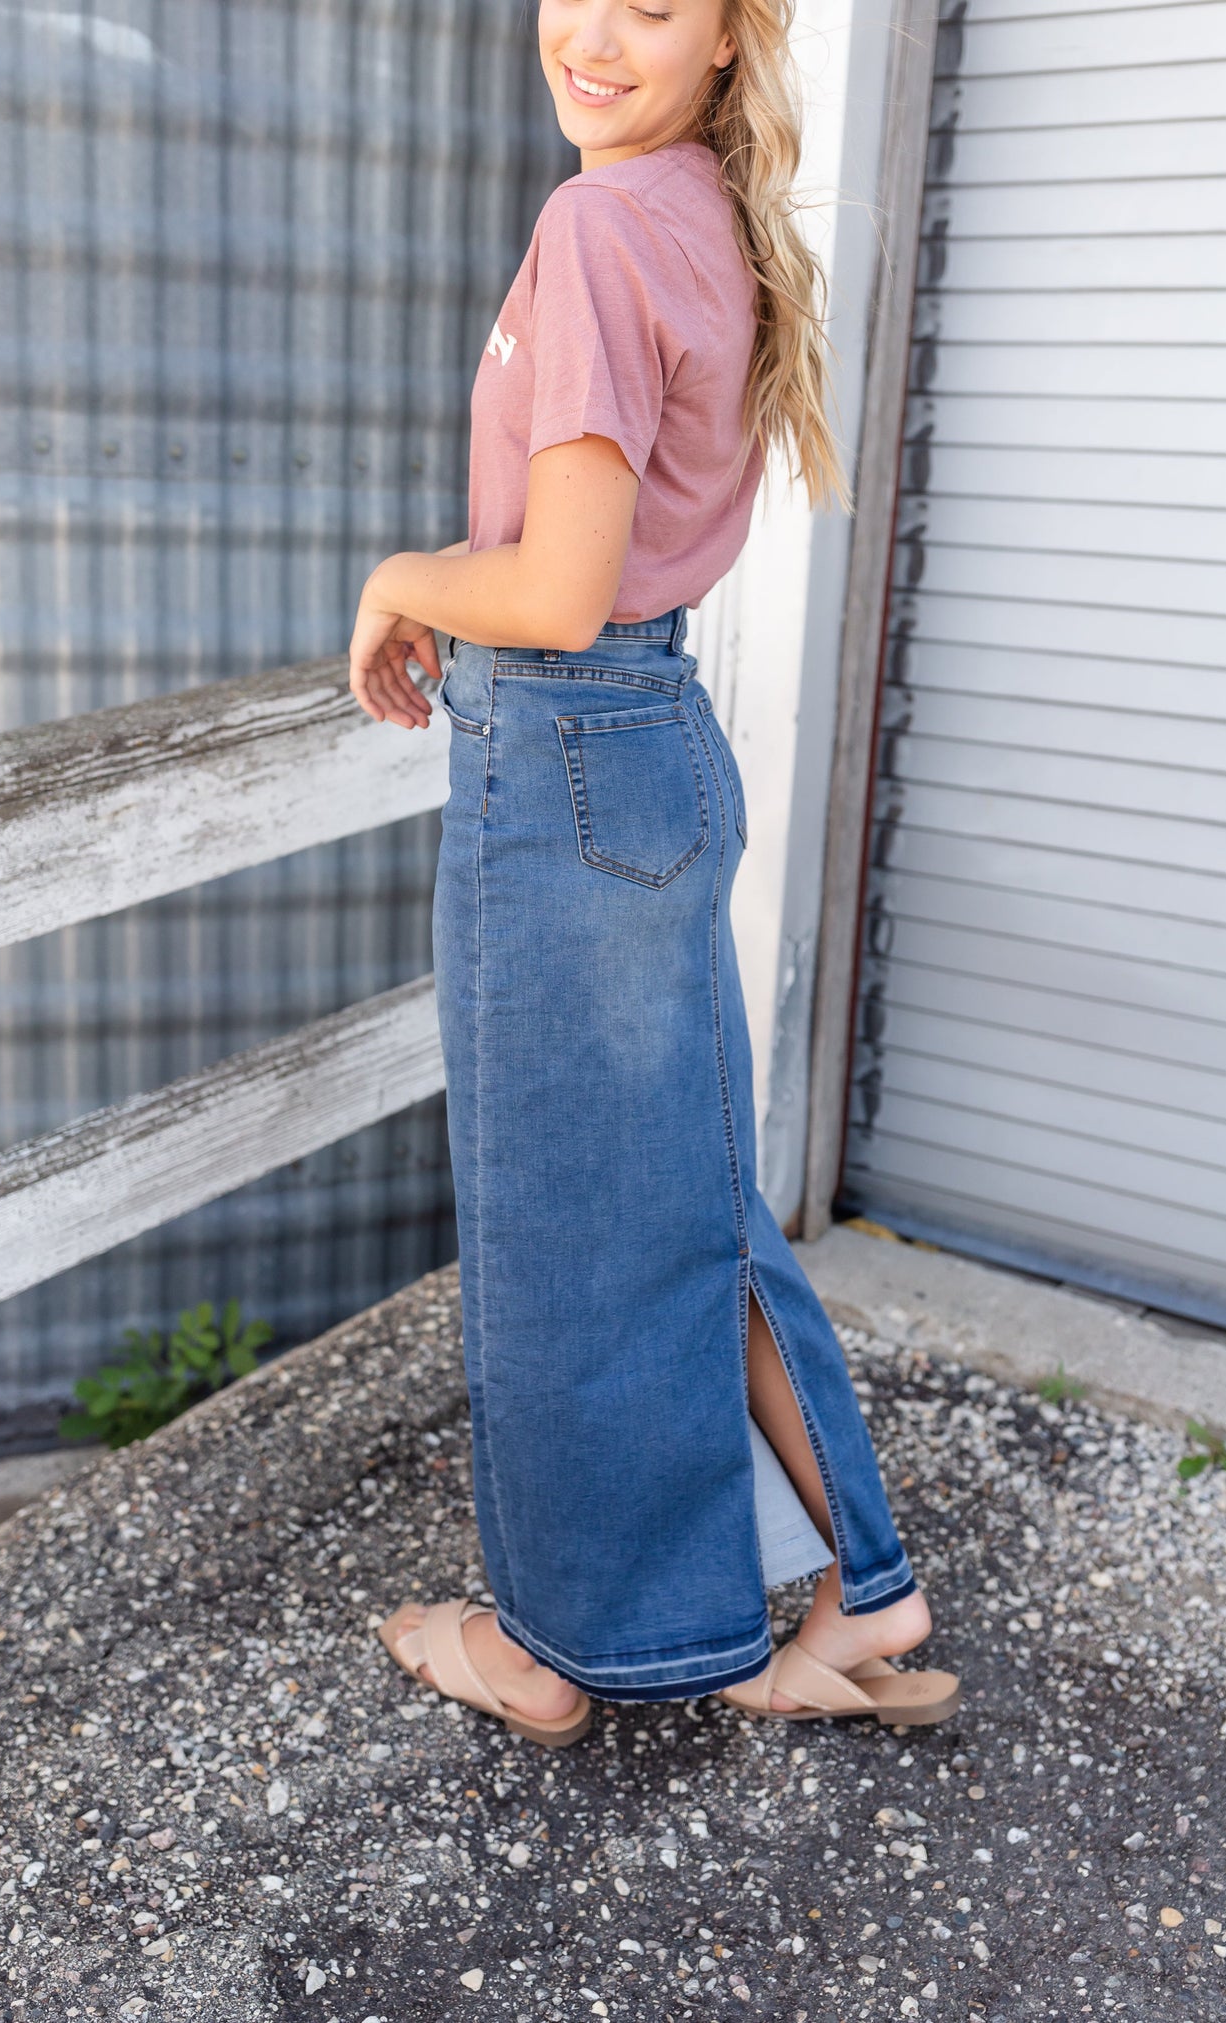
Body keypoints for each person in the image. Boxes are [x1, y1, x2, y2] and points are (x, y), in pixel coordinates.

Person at [347, 0, 960, 1745]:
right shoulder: (702, 205)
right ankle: (866, 1579)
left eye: (656, 8)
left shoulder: (603, 221)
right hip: (651, 741)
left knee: (563, 1225)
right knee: (681, 1195)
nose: (596, 38)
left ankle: (554, 1650)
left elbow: (550, 593)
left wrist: (404, 575)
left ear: (727, 39)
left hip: (560, 745)